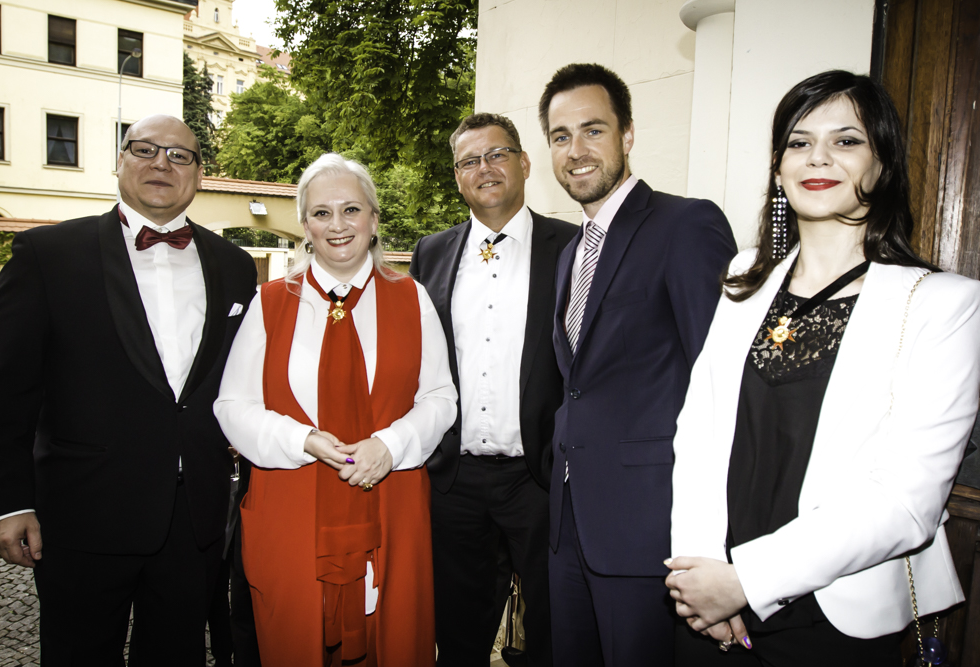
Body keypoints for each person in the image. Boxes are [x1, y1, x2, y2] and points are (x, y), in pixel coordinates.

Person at [666, 70, 980, 667]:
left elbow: (907, 500)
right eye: (800, 142)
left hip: (835, 615)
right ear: (778, 167)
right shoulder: (746, 277)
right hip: (712, 602)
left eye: (847, 140)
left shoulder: (942, 304)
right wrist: (699, 573)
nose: (818, 157)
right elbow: (697, 433)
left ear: (882, 164)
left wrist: (746, 580)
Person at [0, 114, 258, 664]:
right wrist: (9, 503)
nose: (162, 163)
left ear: (199, 173)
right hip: (83, 511)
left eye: (179, 155)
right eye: (145, 149)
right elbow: (1, 389)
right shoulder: (48, 254)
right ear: (119, 160)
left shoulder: (234, 266)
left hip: (193, 517)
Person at [214, 152, 457, 667]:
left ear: (374, 219)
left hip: (390, 505)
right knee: (294, 641)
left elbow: (440, 397)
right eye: (322, 213)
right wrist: (300, 439)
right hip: (292, 507)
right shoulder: (269, 301)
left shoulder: (412, 297)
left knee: (393, 640)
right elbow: (233, 404)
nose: (338, 225)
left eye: (351, 209)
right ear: (305, 226)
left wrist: (391, 445)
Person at [540, 63, 737, 666]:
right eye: (560, 136)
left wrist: (720, 545)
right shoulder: (570, 252)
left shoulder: (686, 224)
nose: (576, 150)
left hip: (649, 529)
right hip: (568, 525)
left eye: (593, 130)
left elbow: (723, 384)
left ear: (627, 134)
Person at [410, 113, 578, 667]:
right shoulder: (430, 252)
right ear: (457, 176)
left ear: (524, 163)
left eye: (497, 154)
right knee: (457, 633)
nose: (484, 168)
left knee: (553, 629)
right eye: (469, 161)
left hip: (540, 479)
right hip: (454, 481)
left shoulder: (573, 247)